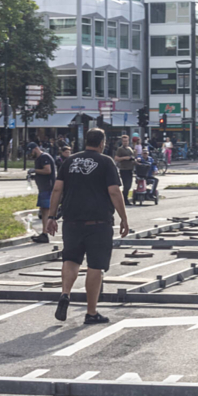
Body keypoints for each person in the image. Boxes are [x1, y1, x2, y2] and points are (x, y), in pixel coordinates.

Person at [47, 128, 129, 325]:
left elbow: (57, 188)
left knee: (71, 259)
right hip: (98, 223)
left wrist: (51, 216)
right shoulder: (106, 161)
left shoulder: (70, 161)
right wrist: (123, 218)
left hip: (71, 221)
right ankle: (91, 312)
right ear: (102, 142)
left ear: (86, 142)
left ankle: (65, 293)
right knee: (95, 266)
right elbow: (114, 192)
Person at [30, 142, 56, 243]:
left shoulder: (44, 157)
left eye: (31, 151)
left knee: (45, 211)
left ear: (36, 149)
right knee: (44, 210)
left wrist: (35, 170)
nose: (31, 154)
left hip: (47, 188)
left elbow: (47, 170)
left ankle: (45, 234)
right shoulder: (39, 158)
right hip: (44, 188)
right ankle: (44, 233)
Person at [114, 134, 136, 205]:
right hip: (124, 169)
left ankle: (124, 198)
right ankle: (124, 199)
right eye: (124, 141)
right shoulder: (120, 149)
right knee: (126, 185)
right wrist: (124, 158)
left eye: (126, 141)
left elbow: (132, 157)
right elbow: (116, 158)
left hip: (130, 169)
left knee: (129, 185)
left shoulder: (130, 148)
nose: (125, 142)